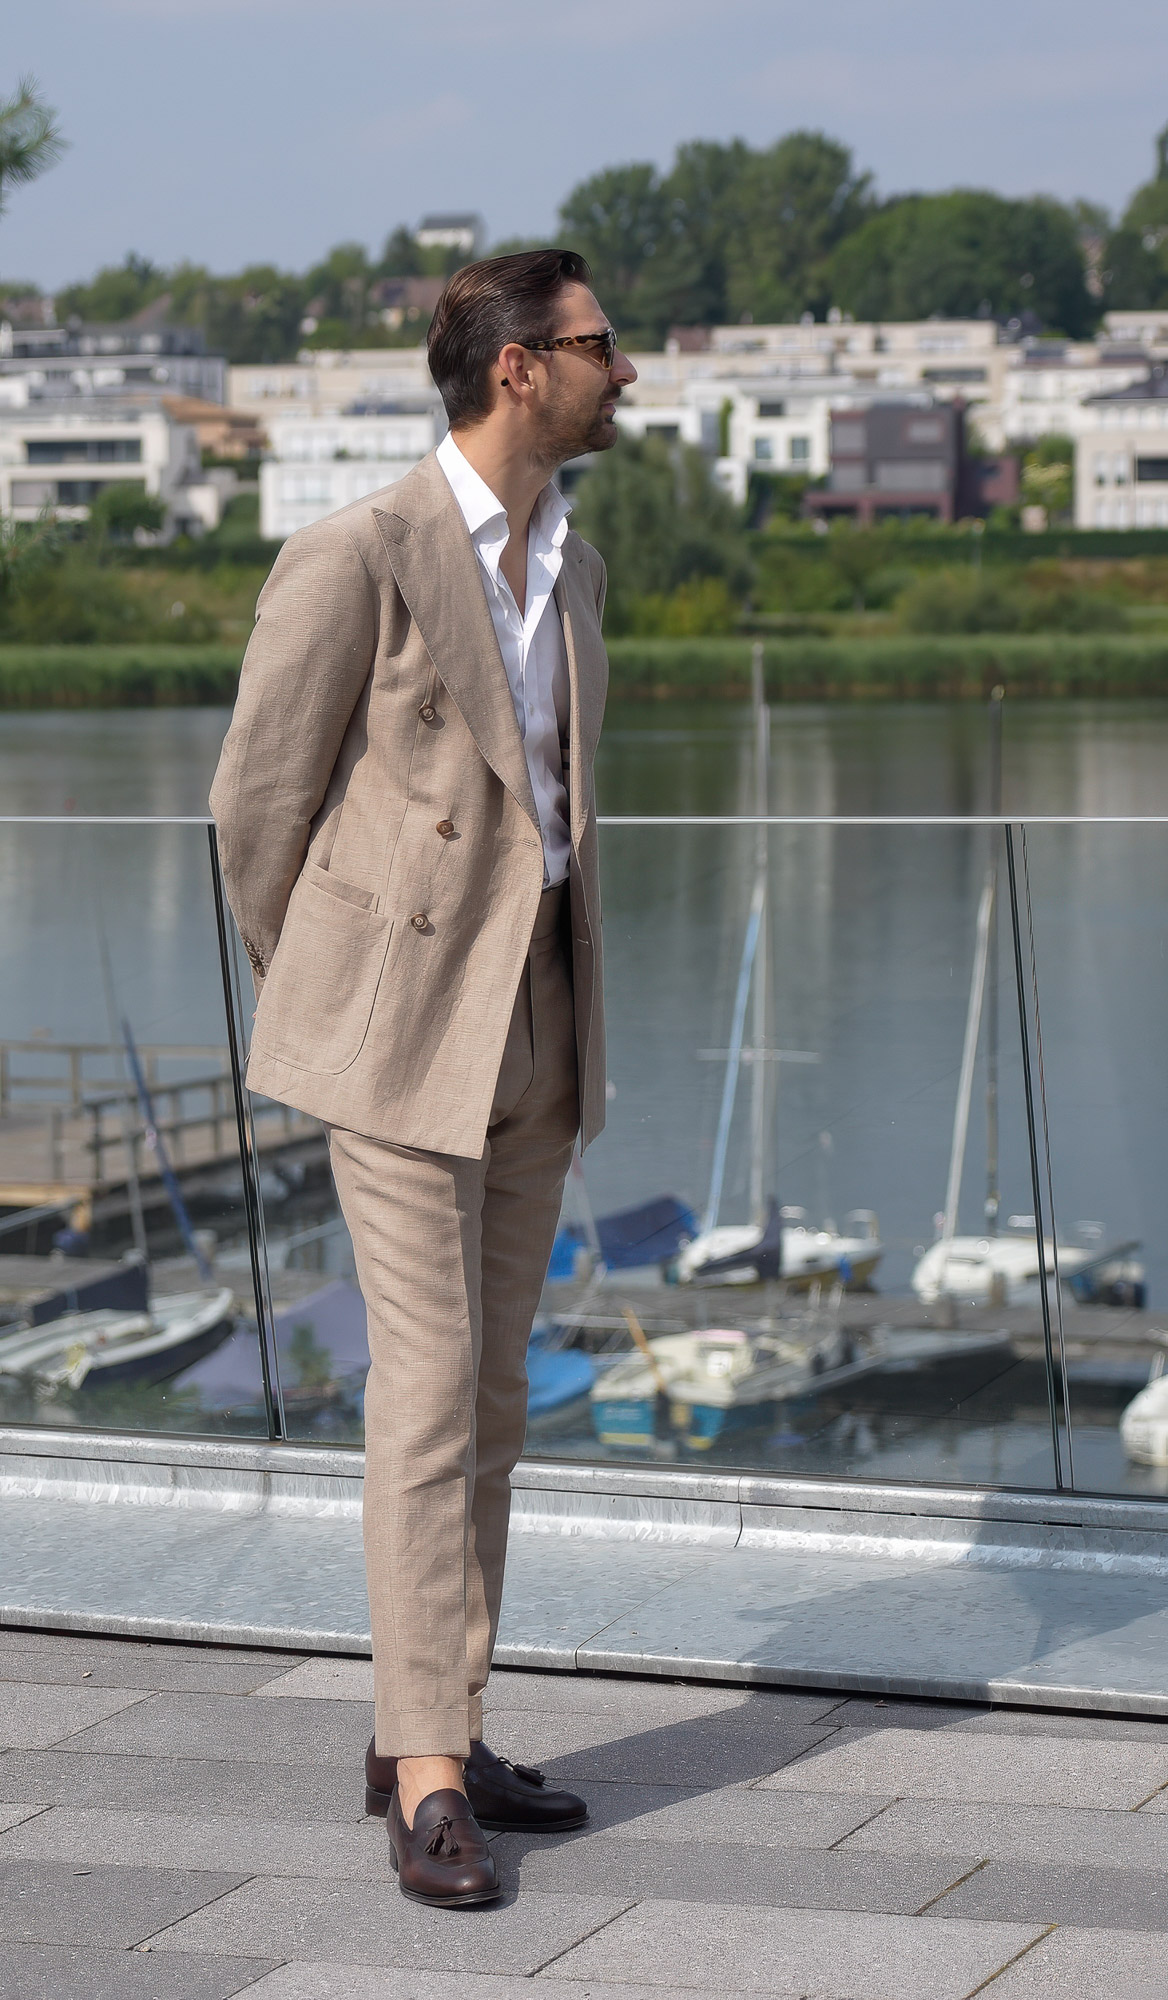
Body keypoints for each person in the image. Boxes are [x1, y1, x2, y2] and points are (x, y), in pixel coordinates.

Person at [210, 250, 637, 1905]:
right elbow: (258, 806)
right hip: (403, 1033)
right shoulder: (361, 553)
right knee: (428, 1383)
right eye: (599, 344)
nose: (625, 370)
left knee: (496, 1397)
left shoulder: (573, 568)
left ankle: (436, 1721)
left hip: (542, 1018)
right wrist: (339, 985)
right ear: (519, 368)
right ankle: (429, 1783)